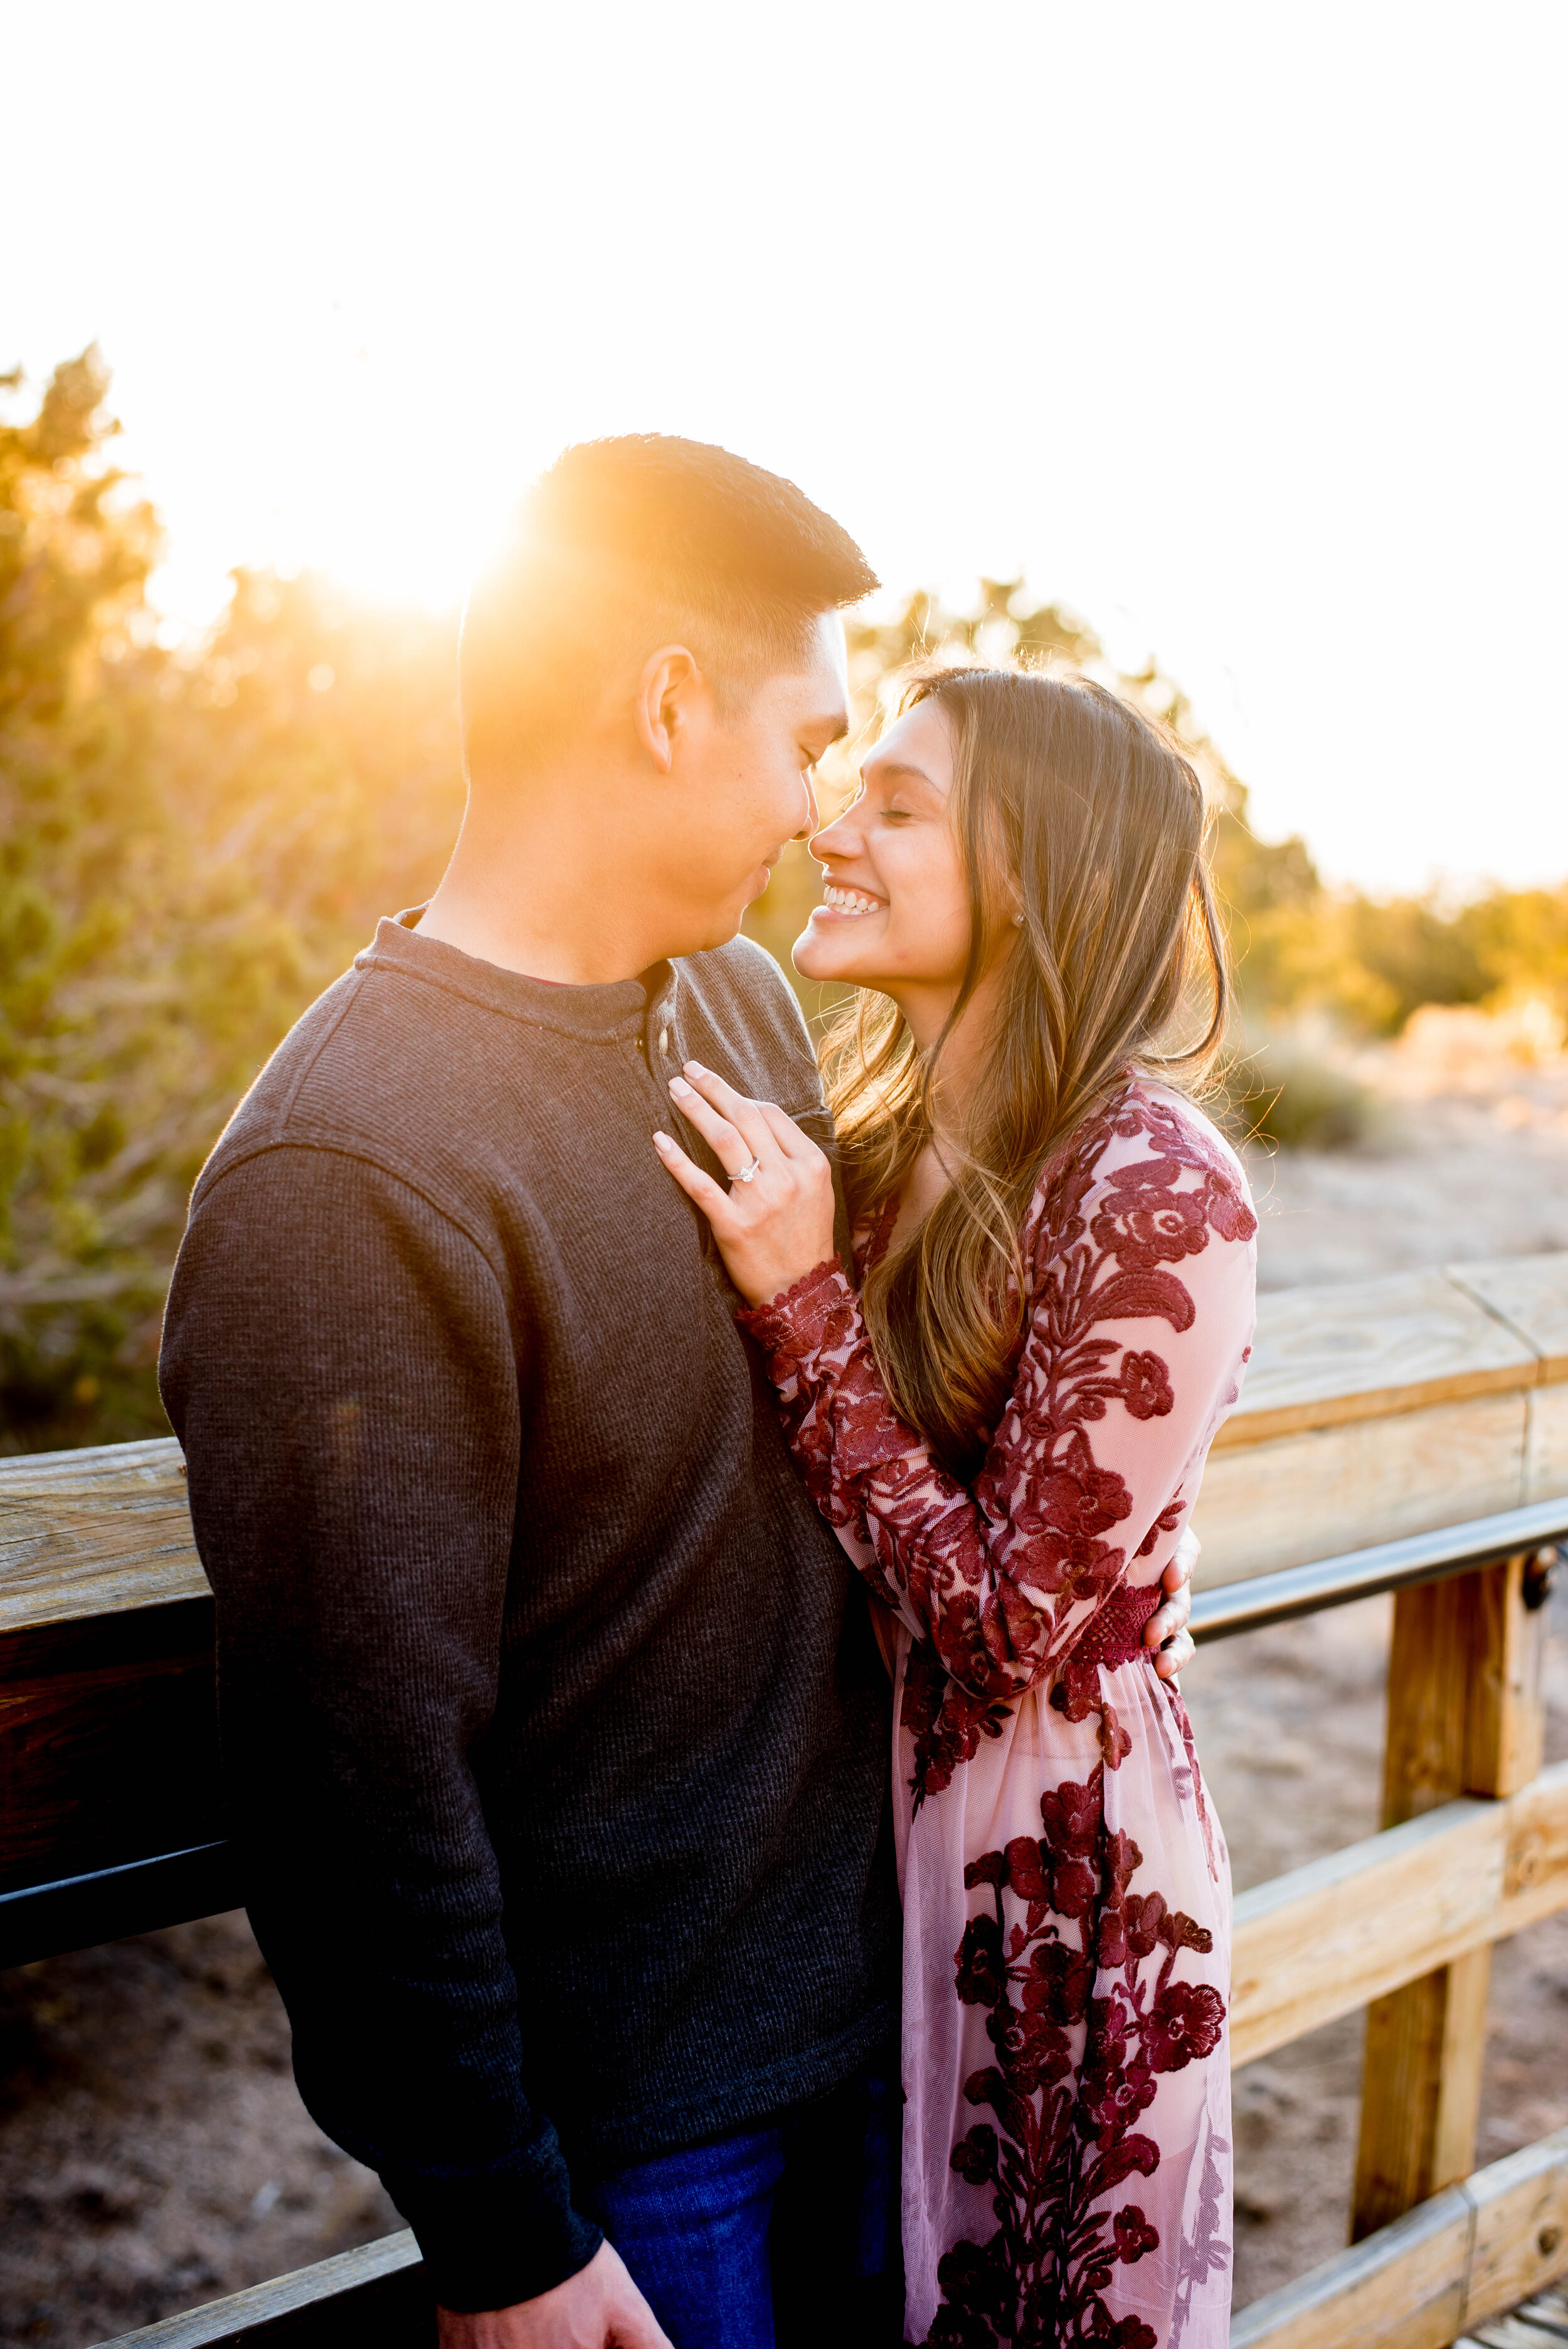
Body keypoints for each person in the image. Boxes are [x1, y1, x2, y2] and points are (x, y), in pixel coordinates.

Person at [159, 438, 1196, 2349]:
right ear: (662, 706)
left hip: (884, 2054)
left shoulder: (731, 1011)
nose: (820, 811)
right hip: (642, 2160)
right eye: (807, 744)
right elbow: (353, 1782)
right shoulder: (352, 1176)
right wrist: (502, 2236)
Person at [655, 664, 1254, 2347]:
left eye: (900, 807)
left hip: (1052, 1886)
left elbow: (1004, 1628)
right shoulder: (871, 1138)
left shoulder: (1152, 1183)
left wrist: (798, 1305)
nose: (830, 828)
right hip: (849, 1880)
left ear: (1031, 873)